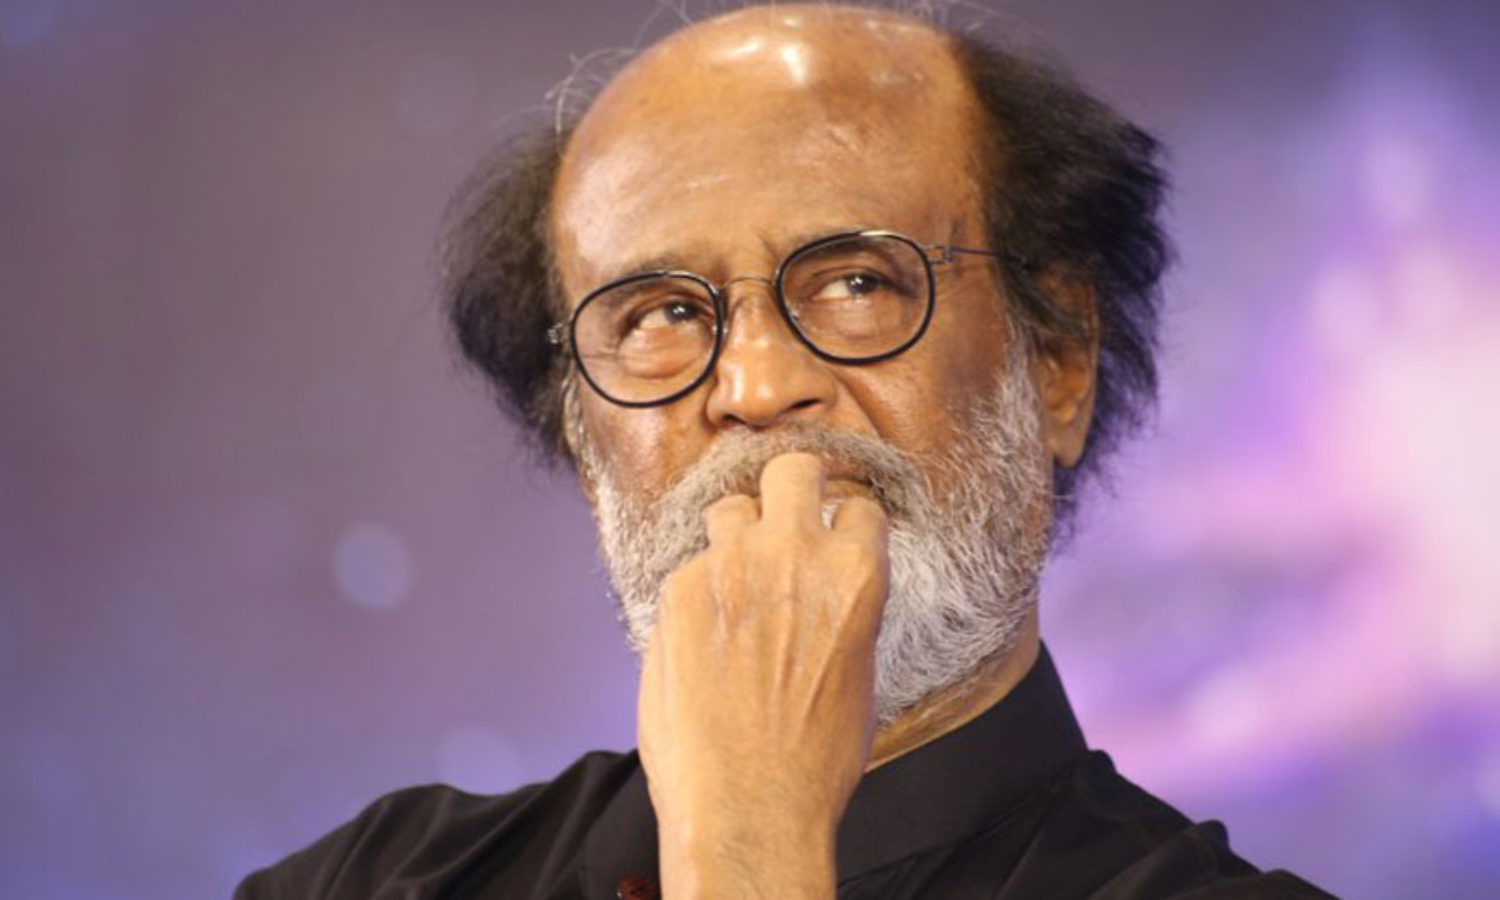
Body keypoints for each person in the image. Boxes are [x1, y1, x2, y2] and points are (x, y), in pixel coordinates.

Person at [236, 4, 1339, 898]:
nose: (757, 389)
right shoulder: (374, 882)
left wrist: (751, 842)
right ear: (578, 430)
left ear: (1058, 360)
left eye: (857, 283)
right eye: (663, 314)